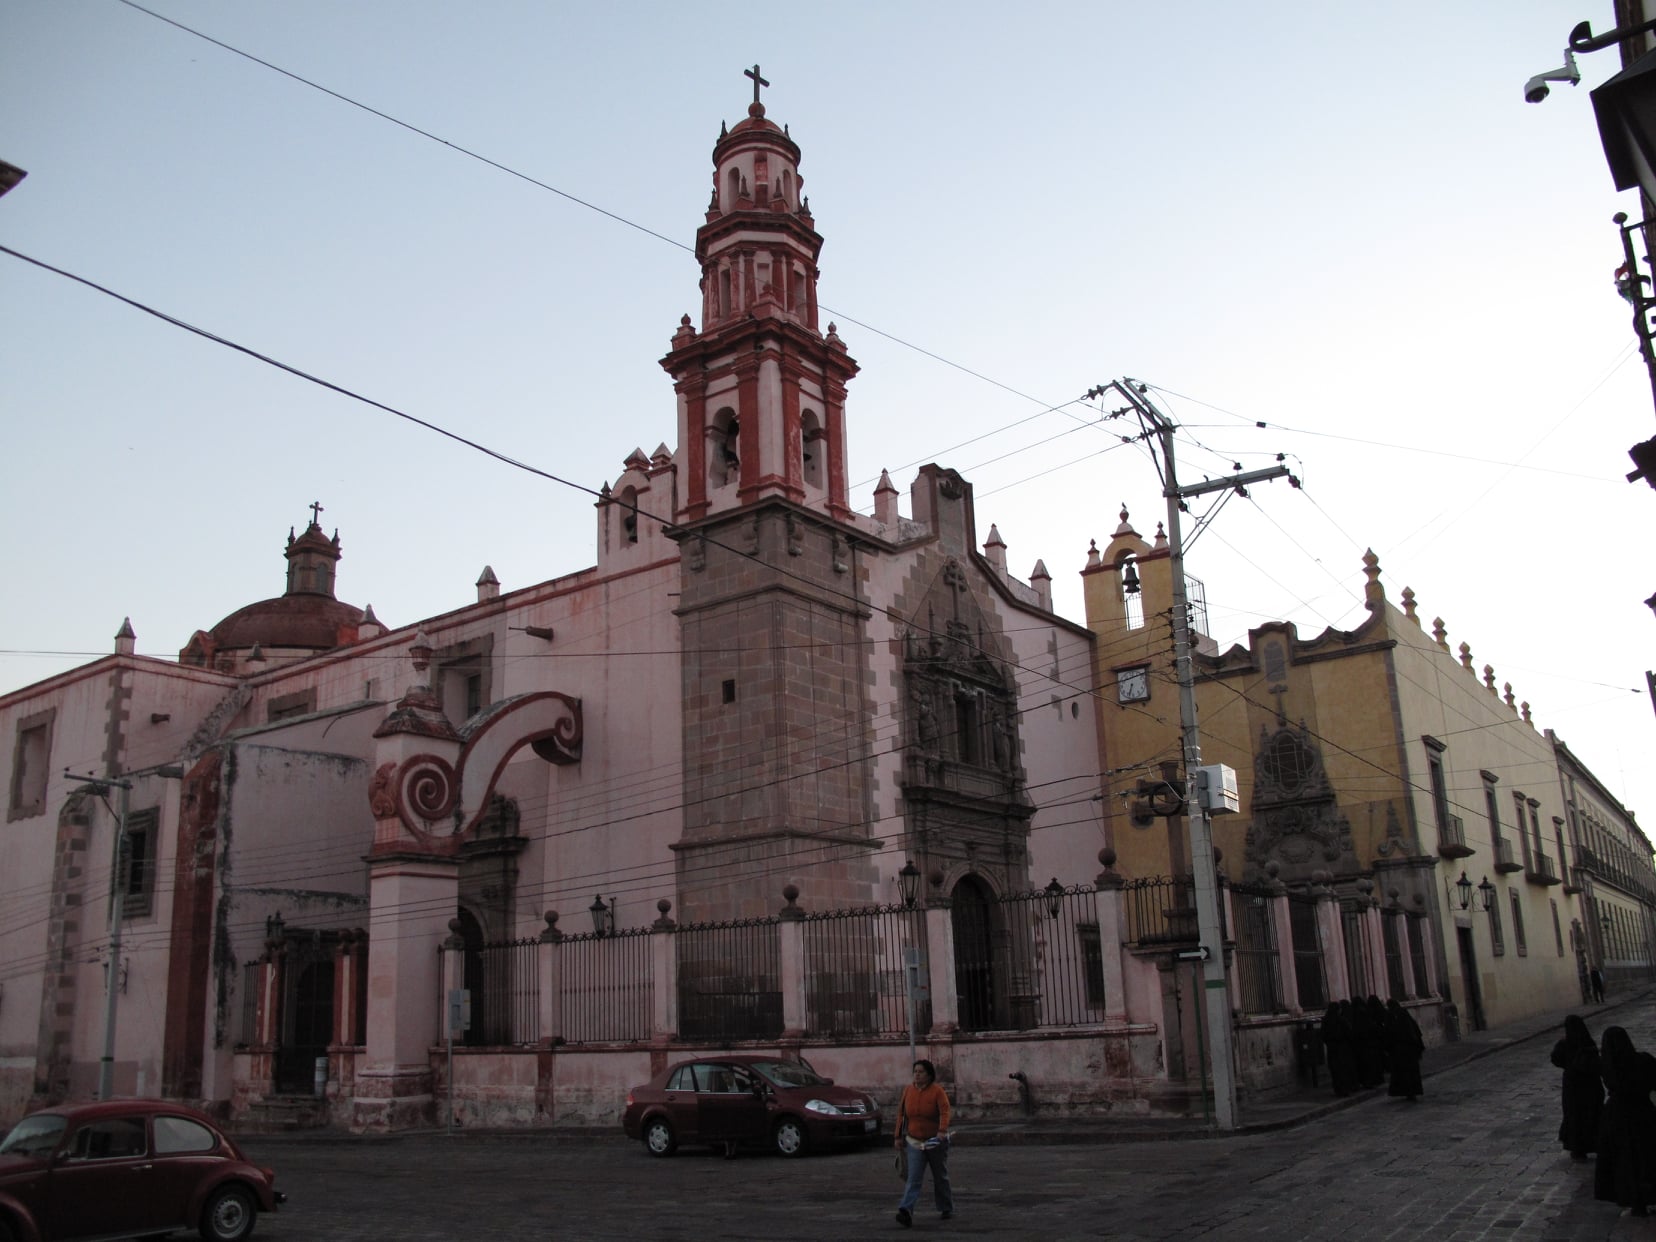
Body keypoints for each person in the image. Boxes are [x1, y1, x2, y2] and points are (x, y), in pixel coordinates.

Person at [1595, 1026, 1656, 1215]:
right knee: (1647, 1155)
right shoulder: (1643, 1060)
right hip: (1642, 1112)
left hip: (1617, 1115)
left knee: (1625, 1160)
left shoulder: (1606, 1065)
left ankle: (1635, 1200)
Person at [894, 1059, 953, 1227]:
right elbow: (901, 1115)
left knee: (939, 1175)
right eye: (915, 1072)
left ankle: (945, 1207)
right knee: (914, 1178)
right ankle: (905, 1209)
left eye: (921, 1072)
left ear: (929, 1075)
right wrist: (897, 1136)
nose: (917, 1075)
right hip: (914, 1141)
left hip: (935, 1142)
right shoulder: (908, 1091)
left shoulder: (937, 1091)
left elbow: (945, 1111)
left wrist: (942, 1131)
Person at [1552, 1014, 1603, 1160]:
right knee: (1593, 1114)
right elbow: (1598, 1065)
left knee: (1575, 1116)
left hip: (1573, 1087)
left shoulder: (1565, 1045)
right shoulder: (1588, 1043)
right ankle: (1595, 1144)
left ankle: (1578, 1148)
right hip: (1591, 1086)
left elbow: (1555, 1059)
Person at [1385, 998, 1424, 1101]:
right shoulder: (1402, 1014)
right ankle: (1411, 1092)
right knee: (1410, 1072)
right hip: (1408, 1049)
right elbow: (1415, 1031)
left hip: (1401, 1049)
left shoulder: (1393, 1016)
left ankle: (1407, 1091)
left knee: (1404, 1072)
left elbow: (1390, 1033)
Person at [1322, 1002, 1359, 1098]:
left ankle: (1338, 1089)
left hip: (1332, 1049)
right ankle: (1345, 1089)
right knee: (1344, 1069)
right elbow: (1349, 1033)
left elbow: (1323, 1035)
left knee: (1335, 1071)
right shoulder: (1341, 1020)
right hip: (1343, 1049)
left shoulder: (1325, 1020)